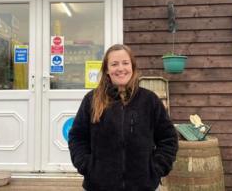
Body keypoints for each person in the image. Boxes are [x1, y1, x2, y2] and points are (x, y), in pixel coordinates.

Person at [68, 44, 178, 191]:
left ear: (132, 66)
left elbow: (168, 138)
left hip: (143, 185)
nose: (121, 68)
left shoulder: (149, 100)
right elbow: (77, 137)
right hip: (99, 185)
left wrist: (156, 168)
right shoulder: (92, 99)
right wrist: (87, 166)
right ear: (107, 69)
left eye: (125, 63)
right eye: (114, 64)